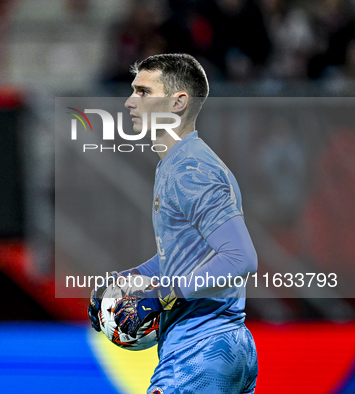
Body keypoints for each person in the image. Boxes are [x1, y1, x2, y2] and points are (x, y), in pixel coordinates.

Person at [88, 53, 259, 394]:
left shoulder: (190, 170)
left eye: (143, 92)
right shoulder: (180, 163)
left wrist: (162, 295)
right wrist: (131, 279)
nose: (129, 101)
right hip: (220, 345)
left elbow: (241, 258)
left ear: (179, 102)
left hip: (199, 350)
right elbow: (191, 255)